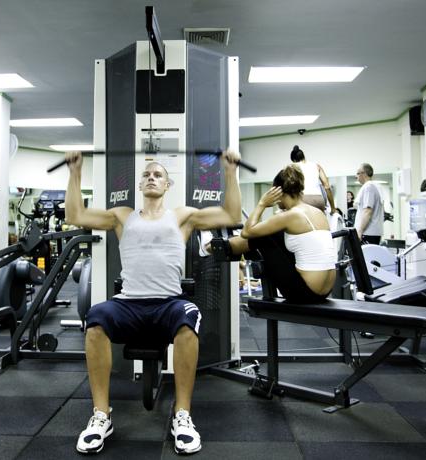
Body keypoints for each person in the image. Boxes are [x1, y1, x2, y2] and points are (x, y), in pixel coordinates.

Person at [64, 150, 241, 455]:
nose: (151, 178)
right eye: (146, 175)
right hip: (129, 302)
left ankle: (182, 415)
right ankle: (101, 415)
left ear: (167, 185)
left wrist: (229, 172)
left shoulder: (182, 216)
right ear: (140, 184)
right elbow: (75, 216)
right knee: (95, 320)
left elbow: (231, 216)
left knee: (189, 318)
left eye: (157, 174)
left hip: (168, 303)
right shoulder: (122, 216)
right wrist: (75, 173)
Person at [209, 164, 337, 303]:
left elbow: (246, 232)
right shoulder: (317, 212)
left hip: (305, 293)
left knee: (264, 236)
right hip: (326, 291)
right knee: (271, 234)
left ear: (278, 193)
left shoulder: (291, 215)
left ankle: (213, 247)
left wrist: (262, 203)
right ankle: (222, 246)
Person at [290, 145, 335, 213]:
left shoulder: (292, 167)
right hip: (318, 199)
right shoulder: (316, 165)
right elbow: (327, 186)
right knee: (319, 222)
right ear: (303, 156)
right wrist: (333, 208)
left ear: (294, 160)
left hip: (302, 199)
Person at [354, 163, 384, 244]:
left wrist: (359, 231)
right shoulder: (375, 186)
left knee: (366, 256)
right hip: (371, 233)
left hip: (367, 233)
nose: (356, 176)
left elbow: (368, 211)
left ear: (363, 173)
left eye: (357, 173)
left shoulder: (368, 187)